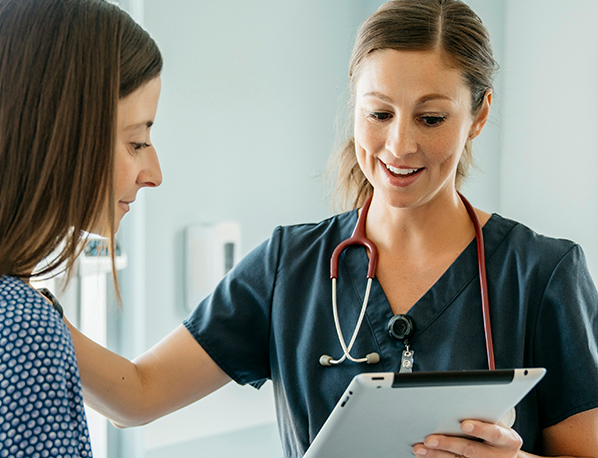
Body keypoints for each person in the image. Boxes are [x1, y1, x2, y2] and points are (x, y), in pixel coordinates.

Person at [68, 0, 598, 457]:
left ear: (479, 115)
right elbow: (135, 396)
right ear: (355, 103)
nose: (399, 145)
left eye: (431, 118)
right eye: (379, 114)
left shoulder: (542, 274)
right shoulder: (288, 266)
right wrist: (30, 305)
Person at [0, 0, 163, 456]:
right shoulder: (23, 331)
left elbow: (139, 396)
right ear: (60, 131)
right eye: (137, 142)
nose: (154, 173)